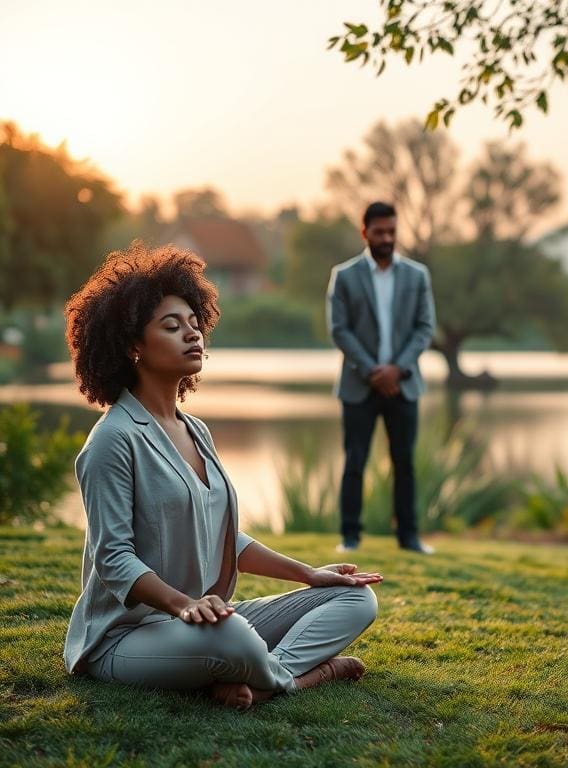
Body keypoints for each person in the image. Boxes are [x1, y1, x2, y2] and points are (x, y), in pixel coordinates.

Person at [62, 242, 382, 711]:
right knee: (231, 635)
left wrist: (309, 574)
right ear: (132, 346)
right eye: (172, 326)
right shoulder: (112, 440)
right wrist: (184, 604)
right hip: (125, 637)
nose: (192, 334)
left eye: (194, 323)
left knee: (355, 600)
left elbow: (224, 537)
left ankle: (262, 678)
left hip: (197, 620)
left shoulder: (195, 430)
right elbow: (113, 559)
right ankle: (305, 677)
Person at [327, 201, 437, 554]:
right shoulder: (344, 275)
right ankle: (350, 538)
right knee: (354, 462)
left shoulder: (417, 276)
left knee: (405, 464)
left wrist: (396, 369)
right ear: (365, 232)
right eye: (379, 232)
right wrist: (372, 371)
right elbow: (339, 329)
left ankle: (409, 537)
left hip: (403, 384)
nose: (387, 238)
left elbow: (425, 328)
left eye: (392, 231)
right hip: (359, 384)